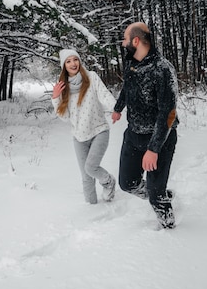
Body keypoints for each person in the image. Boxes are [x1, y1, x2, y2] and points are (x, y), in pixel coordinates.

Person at [111, 22, 179, 229]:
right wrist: (118, 107)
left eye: (125, 39)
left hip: (160, 139)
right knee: (127, 184)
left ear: (136, 40)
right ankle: (160, 193)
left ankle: (168, 224)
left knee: (155, 192)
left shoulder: (163, 69)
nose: (123, 43)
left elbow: (168, 114)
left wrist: (153, 149)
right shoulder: (131, 63)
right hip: (133, 135)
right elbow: (127, 87)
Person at [51, 49, 118, 204]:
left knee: (91, 167)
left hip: (99, 130)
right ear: (64, 66)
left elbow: (104, 94)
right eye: (68, 61)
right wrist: (55, 98)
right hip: (79, 137)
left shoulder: (91, 77)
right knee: (86, 177)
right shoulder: (63, 87)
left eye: (75, 59)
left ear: (79, 61)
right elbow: (64, 116)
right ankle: (91, 209)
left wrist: (115, 108)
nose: (73, 63)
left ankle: (108, 182)